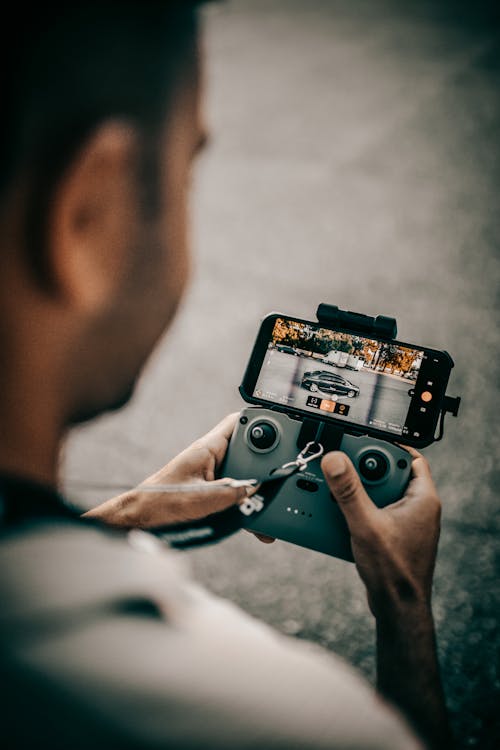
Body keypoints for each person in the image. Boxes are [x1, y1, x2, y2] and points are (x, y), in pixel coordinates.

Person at [0, 3, 452, 748]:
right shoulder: (285, 722)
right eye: (186, 172)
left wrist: (113, 524)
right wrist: (403, 606)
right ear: (87, 214)